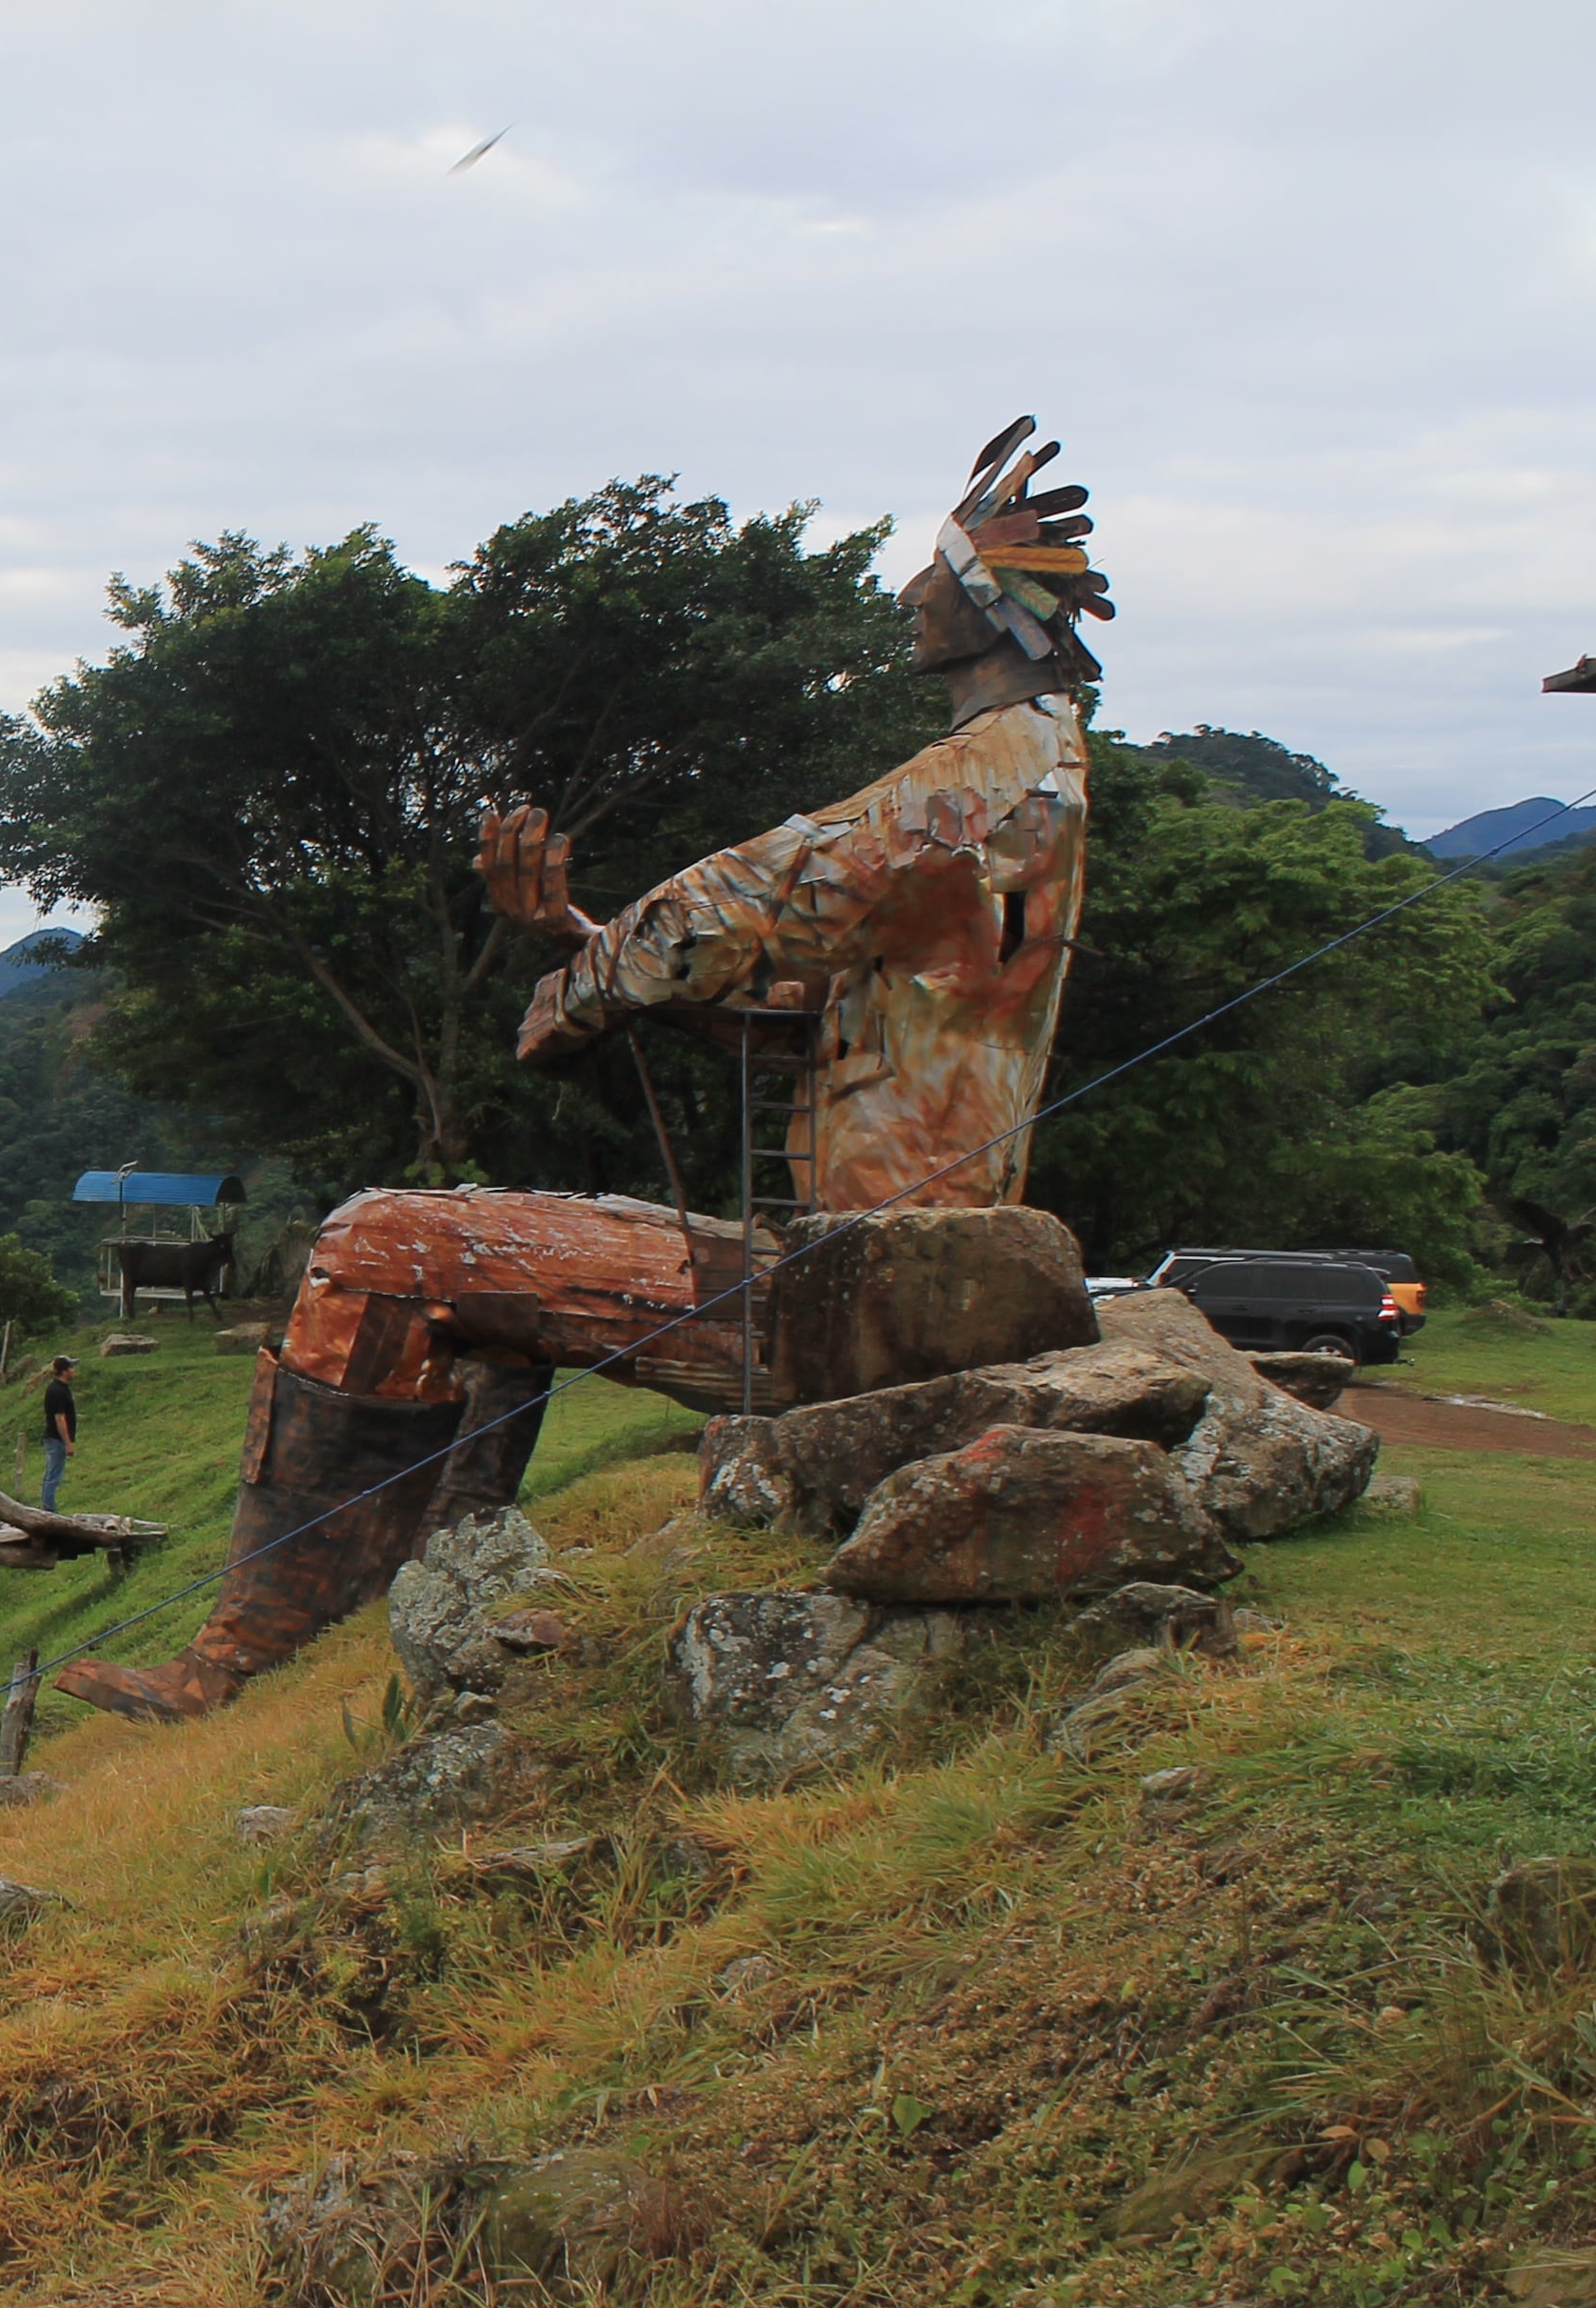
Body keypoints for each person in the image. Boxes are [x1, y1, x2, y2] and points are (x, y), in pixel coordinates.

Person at [55, 418, 1110, 1723]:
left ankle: (242, 1661)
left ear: (987, 601)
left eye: (936, 569)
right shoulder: (1027, 784)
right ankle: (439, 1592)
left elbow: (743, 900)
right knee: (503, 1276)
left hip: (869, 1295)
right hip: (881, 1275)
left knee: (374, 1242)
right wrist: (576, 941)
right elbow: (782, 1001)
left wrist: (582, 983)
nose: (909, 593)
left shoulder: (986, 782)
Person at [39, 1355, 77, 1510]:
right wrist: (68, 1443)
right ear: (64, 1371)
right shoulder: (57, 1391)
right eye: (71, 1368)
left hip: (54, 1439)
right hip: (56, 1439)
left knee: (50, 1476)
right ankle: (49, 1512)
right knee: (53, 1477)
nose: (73, 1371)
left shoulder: (59, 1388)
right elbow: (59, 1419)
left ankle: (46, 1509)